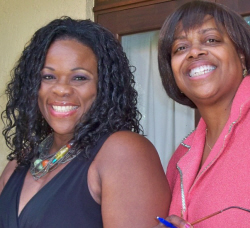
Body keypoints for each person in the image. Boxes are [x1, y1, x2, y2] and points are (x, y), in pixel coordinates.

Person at [0, 17, 171, 228]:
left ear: (104, 87)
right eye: (48, 77)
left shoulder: (122, 153)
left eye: (79, 78)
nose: (61, 89)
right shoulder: (18, 164)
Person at [155, 1, 250, 227]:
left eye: (211, 40)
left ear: (242, 55)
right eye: (180, 48)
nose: (194, 52)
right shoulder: (180, 157)